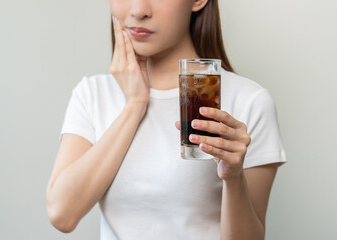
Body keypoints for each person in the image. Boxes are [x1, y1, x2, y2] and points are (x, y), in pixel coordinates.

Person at [46, 0, 286, 239]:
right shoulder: (92, 94)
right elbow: (62, 214)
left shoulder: (248, 101)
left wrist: (233, 177)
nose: (138, 10)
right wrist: (134, 105)